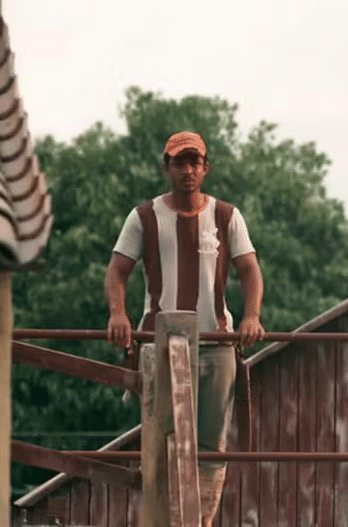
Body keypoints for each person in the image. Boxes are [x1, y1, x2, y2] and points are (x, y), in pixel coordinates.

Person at [104, 131, 265, 525]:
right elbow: (117, 271)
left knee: (211, 445)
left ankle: (198, 522)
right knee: (160, 440)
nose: (188, 170)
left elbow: (250, 271)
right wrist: (118, 314)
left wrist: (251, 316)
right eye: (180, 162)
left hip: (216, 343)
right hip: (158, 342)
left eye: (195, 162)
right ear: (167, 168)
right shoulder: (143, 216)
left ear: (206, 168)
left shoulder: (227, 215)